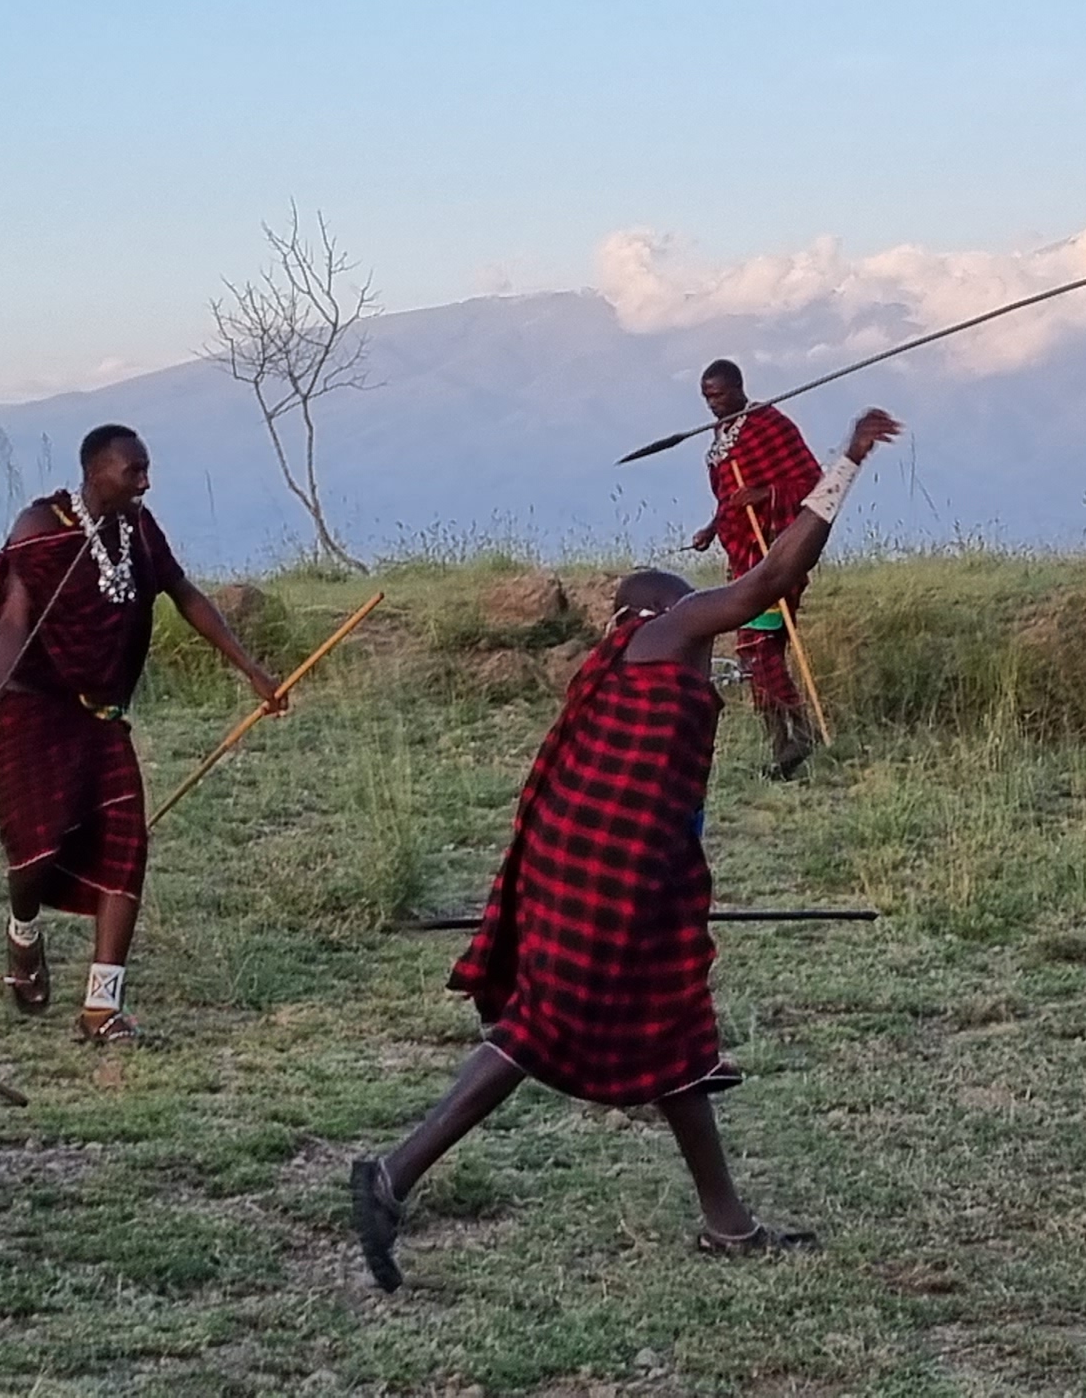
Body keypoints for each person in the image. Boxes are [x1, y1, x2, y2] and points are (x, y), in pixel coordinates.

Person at [351, 406, 902, 1292]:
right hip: (608, 882)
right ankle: (392, 1175)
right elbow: (772, 577)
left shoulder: (616, 664)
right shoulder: (667, 633)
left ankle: (728, 1225)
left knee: (673, 1038)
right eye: (697, 610)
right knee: (538, 1028)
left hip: (612, 874)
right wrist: (846, 464)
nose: (707, 631)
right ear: (664, 611)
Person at [0, 424, 286, 1044]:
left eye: (146, 469)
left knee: (124, 845)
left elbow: (183, 592)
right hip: (33, 710)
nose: (145, 482)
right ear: (95, 472)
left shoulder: (138, 530)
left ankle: (101, 1008)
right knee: (34, 851)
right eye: (133, 471)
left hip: (101, 714)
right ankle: (23, 930)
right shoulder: (41, 529)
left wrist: (250, 669)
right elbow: (12, 621)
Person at [682, 360, 825, 779]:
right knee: (755, 651)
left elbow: (812, 483)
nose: (712, 404)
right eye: (706, 397)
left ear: (738, 388)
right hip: (743, 558)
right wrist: (712, 528)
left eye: (718, 395)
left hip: (776, 557)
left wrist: (765, 494)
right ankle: (783, 743)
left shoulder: (768, 424)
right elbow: (730, 498)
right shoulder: (721, 434)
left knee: (757, 647)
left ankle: (797, 735)